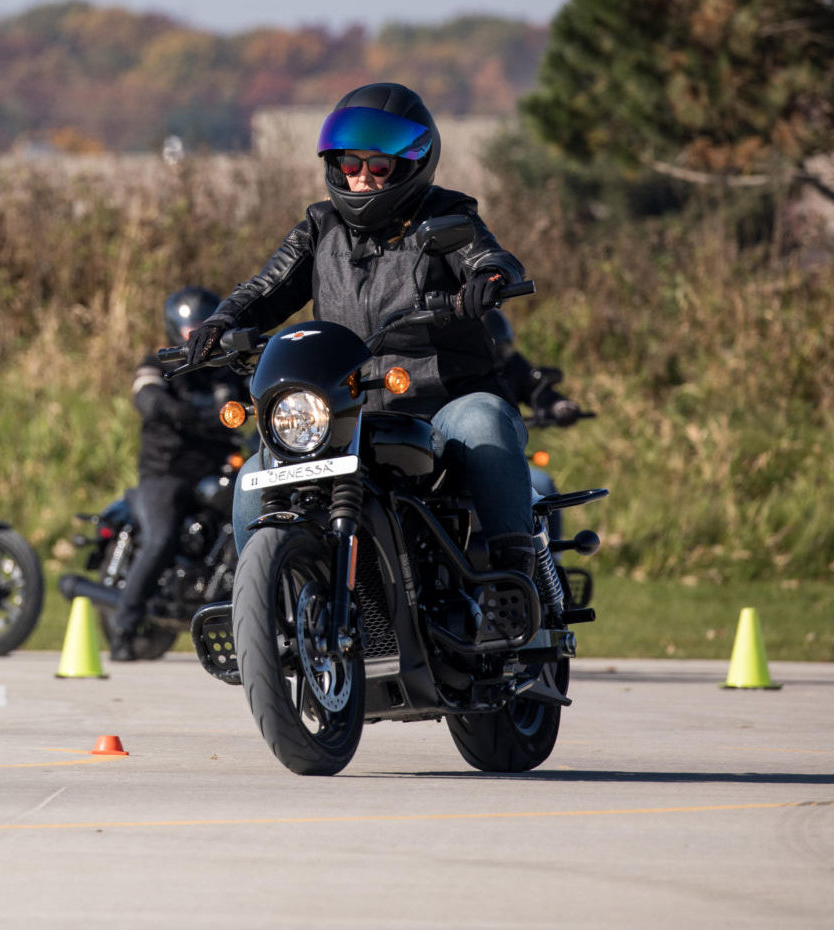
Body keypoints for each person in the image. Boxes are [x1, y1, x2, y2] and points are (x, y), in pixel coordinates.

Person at [185, 83, 541, 583]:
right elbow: (267, 289)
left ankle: (512, 576)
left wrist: (490, 278)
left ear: (411, 163)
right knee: (251, 478)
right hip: (343, 411)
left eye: (378, 166)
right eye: (350, 165)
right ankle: (271, 607)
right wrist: (221, 322)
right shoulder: (319, 227)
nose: (362, 179)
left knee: (484, 421)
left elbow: (487, 256)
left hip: (440, 403)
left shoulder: (446, 216)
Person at [108, 286, 246, 661]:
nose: (194, 335)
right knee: (162, 537)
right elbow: (146, 395)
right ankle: (123, 627)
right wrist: (175, 410)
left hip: (215, 473)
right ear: (174, 328)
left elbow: (258, 394)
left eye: (202, 327)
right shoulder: (159, 364)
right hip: (164, 476)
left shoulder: (226, 371)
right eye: (189, 328)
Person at [484, 308, 585, 537]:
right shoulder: (451, 365)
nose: (500, 355)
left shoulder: (511, 365)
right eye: (496, 349)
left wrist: (558, 406)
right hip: (453, 460)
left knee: (542, 486)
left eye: (503, 349)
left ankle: (552, 562)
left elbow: (534, 387)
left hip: (507, 457)